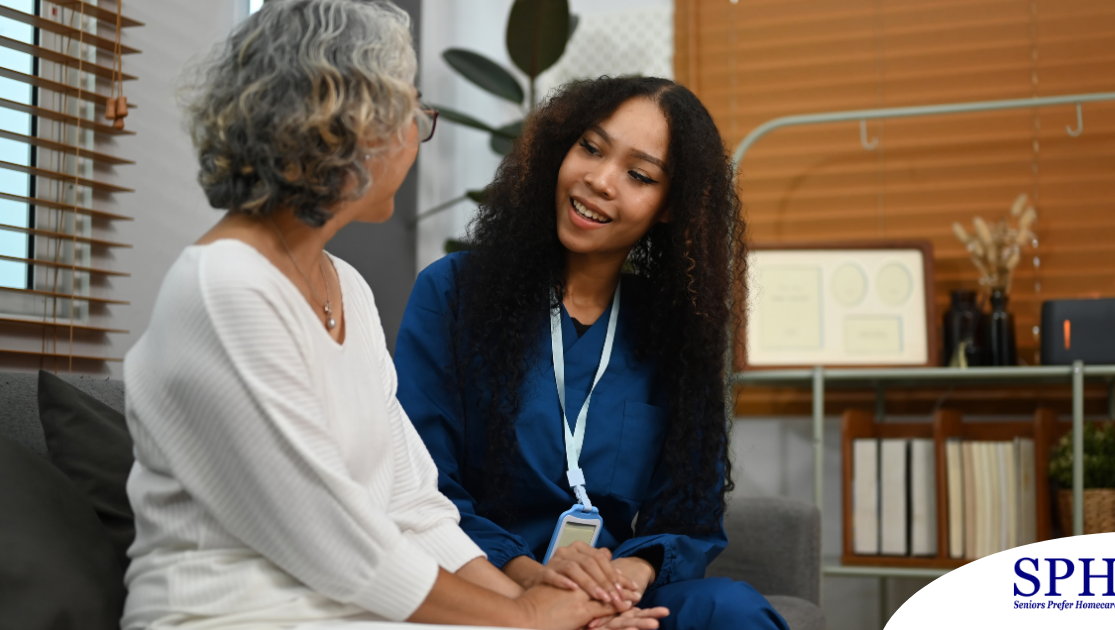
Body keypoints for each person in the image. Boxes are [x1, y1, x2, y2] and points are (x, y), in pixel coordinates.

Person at [121, 2, 660, 628]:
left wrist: (536, 605)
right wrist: (527, 621)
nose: (418, 130)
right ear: (344, 125)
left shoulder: (344, 286)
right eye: (412, 110)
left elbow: (414, 506)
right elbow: (335, 545)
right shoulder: (225, 287)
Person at [394, 76, 789, 630]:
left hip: (617, 597)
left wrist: (627, 578)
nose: (600, 180)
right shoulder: (453, 294)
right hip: (491, 588)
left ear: (669, 206)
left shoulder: (676, 331)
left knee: (733, 610)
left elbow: (689, 508)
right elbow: (421, 482)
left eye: (639, 174)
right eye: (591, 148)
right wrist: (536, 585)